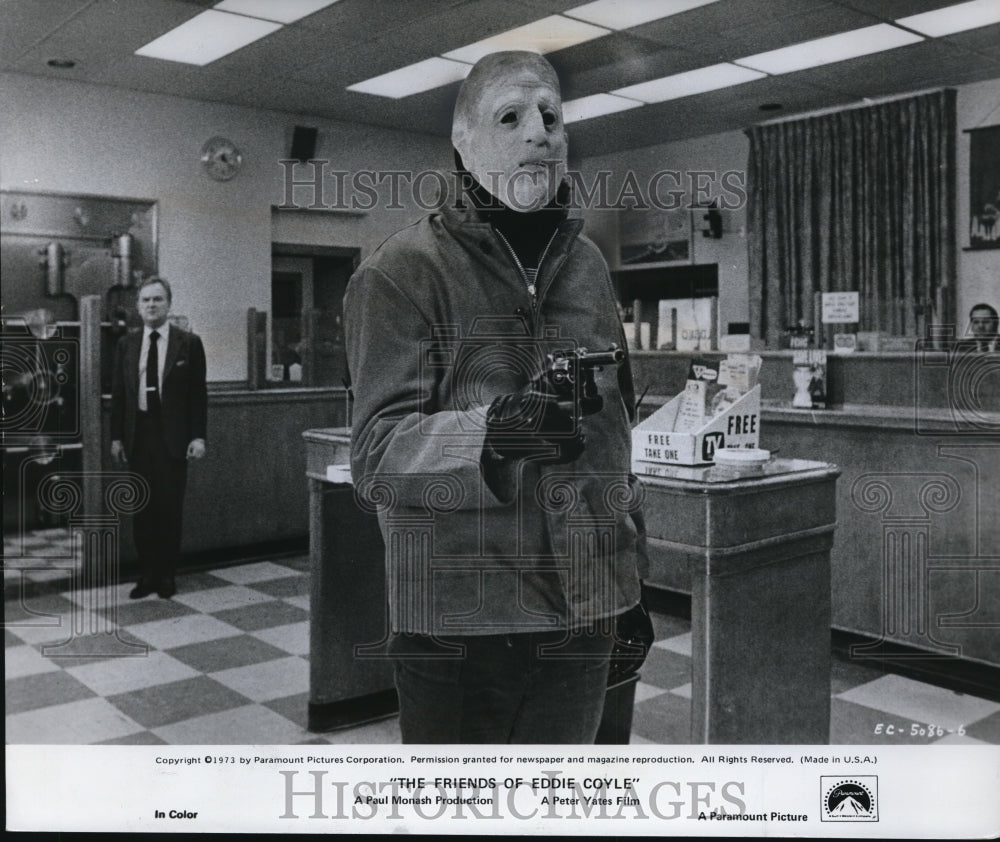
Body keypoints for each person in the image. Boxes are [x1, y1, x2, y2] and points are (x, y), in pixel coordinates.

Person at [343, 51, 644, 744]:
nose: (538, 132)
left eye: (551, 117)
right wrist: (496, 433)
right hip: (460, 625)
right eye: (510, 117)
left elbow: (614, 440)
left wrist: (626, 586)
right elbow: (376, 456)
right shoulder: (399, 273)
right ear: (464, 141)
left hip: (583, 619)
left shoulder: (588, 267)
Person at [110, 277, 207, 599]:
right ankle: (147, 575)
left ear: (169, 304)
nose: (151, 305)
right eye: (146, 300)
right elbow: (120, 395)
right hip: (139, 435)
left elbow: (198, 396)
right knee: (142, 510)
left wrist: (198, 437)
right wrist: (116, 438)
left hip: (173, 439)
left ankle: (167, 575)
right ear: (138, 306)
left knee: (168, 508)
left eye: (158, 299)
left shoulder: (188, 343)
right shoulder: (126, 344)